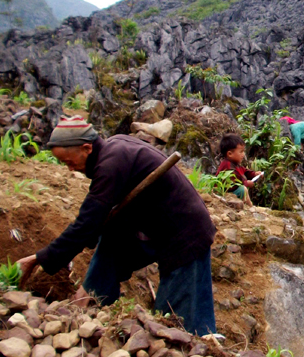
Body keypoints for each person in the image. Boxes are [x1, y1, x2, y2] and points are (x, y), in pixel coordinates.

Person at [16, 116, 217, 336]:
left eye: (69, 161)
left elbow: (86, 224)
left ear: (86, 148)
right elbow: (95, 225)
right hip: (153, 227)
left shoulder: (111, 163)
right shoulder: (112, 150)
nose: (70, 169)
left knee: (176, 318)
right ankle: (91, 297)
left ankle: (198, 354)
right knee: (112, 239)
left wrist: (40, 258)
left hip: (185, 232)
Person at [215, 134, 262, 205]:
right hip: (224, 194)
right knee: (243, 189)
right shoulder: (227, 166)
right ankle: (250, 206)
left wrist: (254, 174)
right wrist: (246, 183)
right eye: (241, 152)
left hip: (231, 191)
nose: (243, 154)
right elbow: (233, 184)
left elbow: (245, 171)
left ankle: (249, 205)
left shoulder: (234, 163)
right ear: (230, 154)